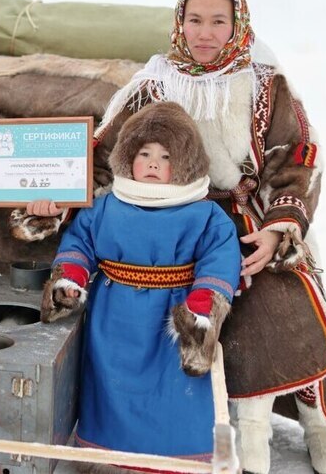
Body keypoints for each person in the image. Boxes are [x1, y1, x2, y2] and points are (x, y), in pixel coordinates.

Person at [43, 0, 326, 474]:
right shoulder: (154, 84)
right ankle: (204, 428)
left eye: (218, 22)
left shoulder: (266, 83)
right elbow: (107, 154)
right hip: (170, 215)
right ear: (180, 22)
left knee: (286, 307)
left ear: (237, 25)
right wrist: (54, 192)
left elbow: (297, 155)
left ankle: (319, 421)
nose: (205, 33)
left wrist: (278, 227)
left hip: (248, 219)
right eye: (195, 20)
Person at [41, 102, 240, 464]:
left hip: (175, 319)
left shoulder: (205, 213)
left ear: (184, 164)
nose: (152, 163)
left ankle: (176, 462)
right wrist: (69, 278)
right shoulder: (105, 207)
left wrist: (202, 304)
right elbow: (79, 244)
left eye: (165, 156)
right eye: (144, 153)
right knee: (111, 390)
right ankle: (111, 459)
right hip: (114, 320)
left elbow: (220, 259)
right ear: (126, 158)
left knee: (176, 395)